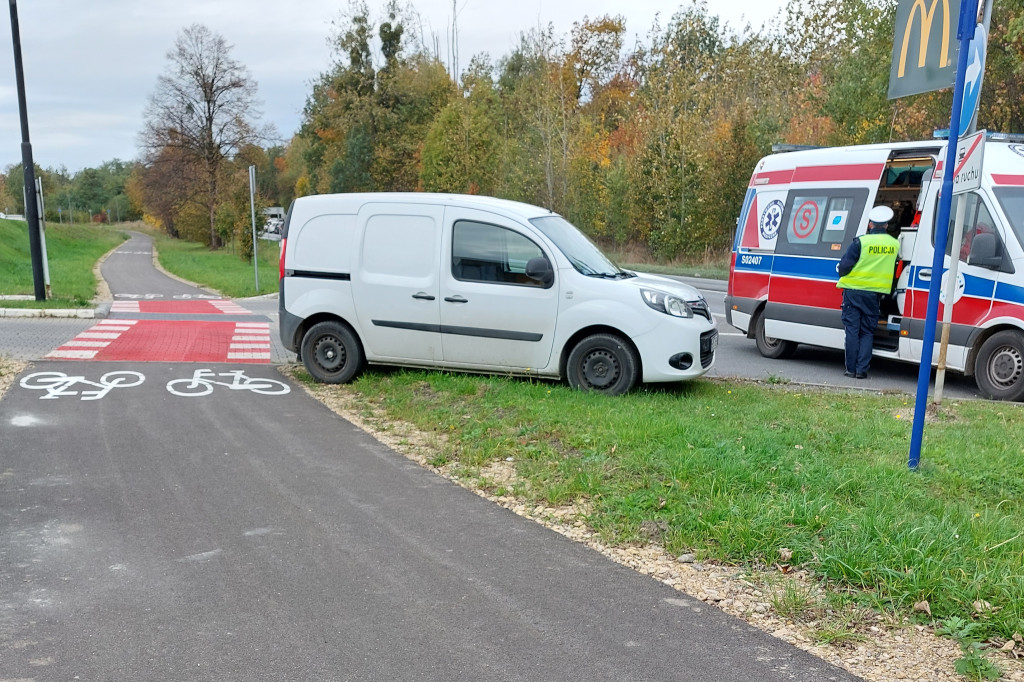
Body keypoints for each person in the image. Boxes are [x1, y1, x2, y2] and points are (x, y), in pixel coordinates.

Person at [836, 205, 900, 379]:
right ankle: (862, 371)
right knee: (866, 332)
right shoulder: (894, 244)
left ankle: (850, 369)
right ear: (886, 226)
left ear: (871, 224)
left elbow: (843, 267)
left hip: (853, 292)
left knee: (852, 330)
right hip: (874, 295)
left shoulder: (860, 242)